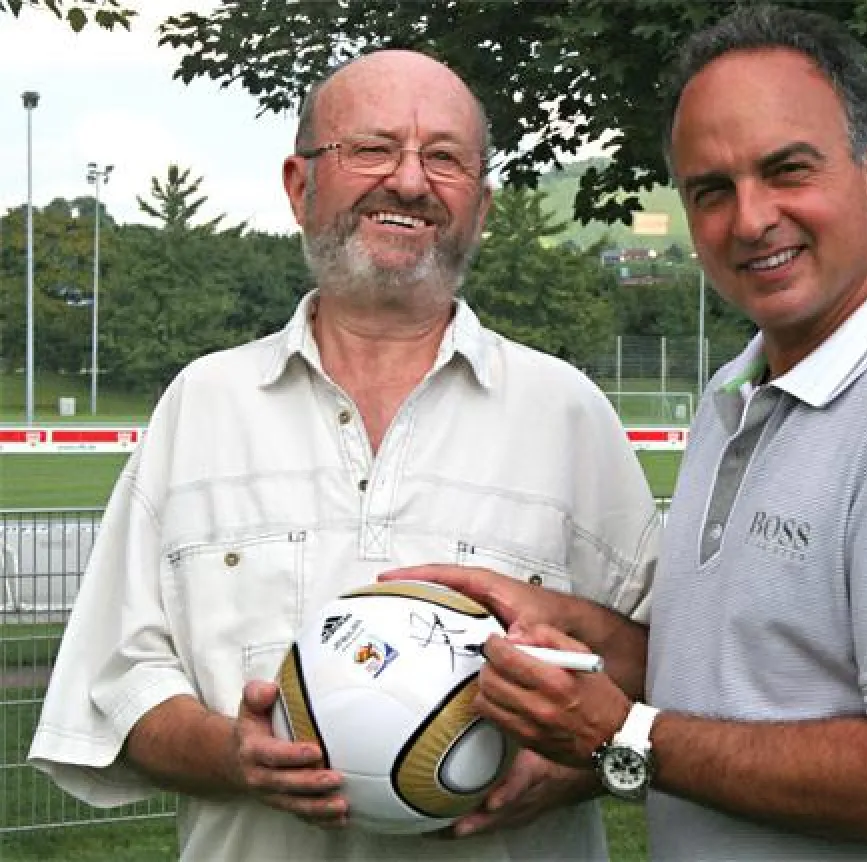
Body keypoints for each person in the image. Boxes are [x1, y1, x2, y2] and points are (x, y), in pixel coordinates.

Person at [399, 7, 867, 861]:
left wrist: (622, 737)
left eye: (787, 170)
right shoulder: (736, 392)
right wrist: (579, 630)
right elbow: (741, 675)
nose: (750, 220)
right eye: (711, 189)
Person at [28, 50, 659, 862]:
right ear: (299, 186)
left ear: (482, 203)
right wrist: (233, 756)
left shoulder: (569, 412)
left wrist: (575, 767)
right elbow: (119, 684)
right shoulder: (203, 404)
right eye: (370, 149)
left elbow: (664, 671)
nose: (408, 180)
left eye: (445, 158)